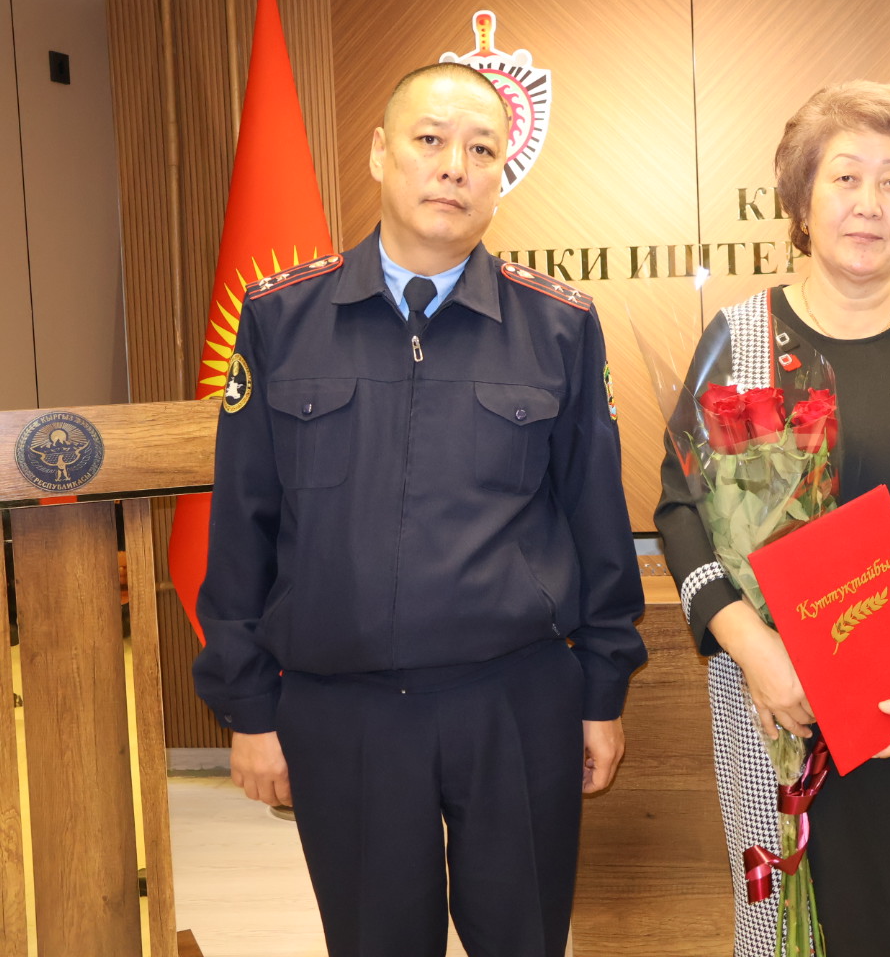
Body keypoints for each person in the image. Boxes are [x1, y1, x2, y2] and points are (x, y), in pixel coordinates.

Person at [192, 61, 646, 957]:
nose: (454, 167)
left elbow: (597, 522)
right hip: (345, 711)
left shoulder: (558, 324)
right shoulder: (283, 317)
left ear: (502, 175)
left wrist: (602, 693)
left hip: (515, 701)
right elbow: (244, 524)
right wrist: (248, 707)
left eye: (482, 150)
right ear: (379, 152)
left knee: (524, 940)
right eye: (430, 139)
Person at [655, 81, 890, 957]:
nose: (870, 203)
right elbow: (682, 510)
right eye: (845, 177)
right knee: (799, 930)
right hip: (783, 706)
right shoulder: (743, 339)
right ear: (800, 200)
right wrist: (757, 654)